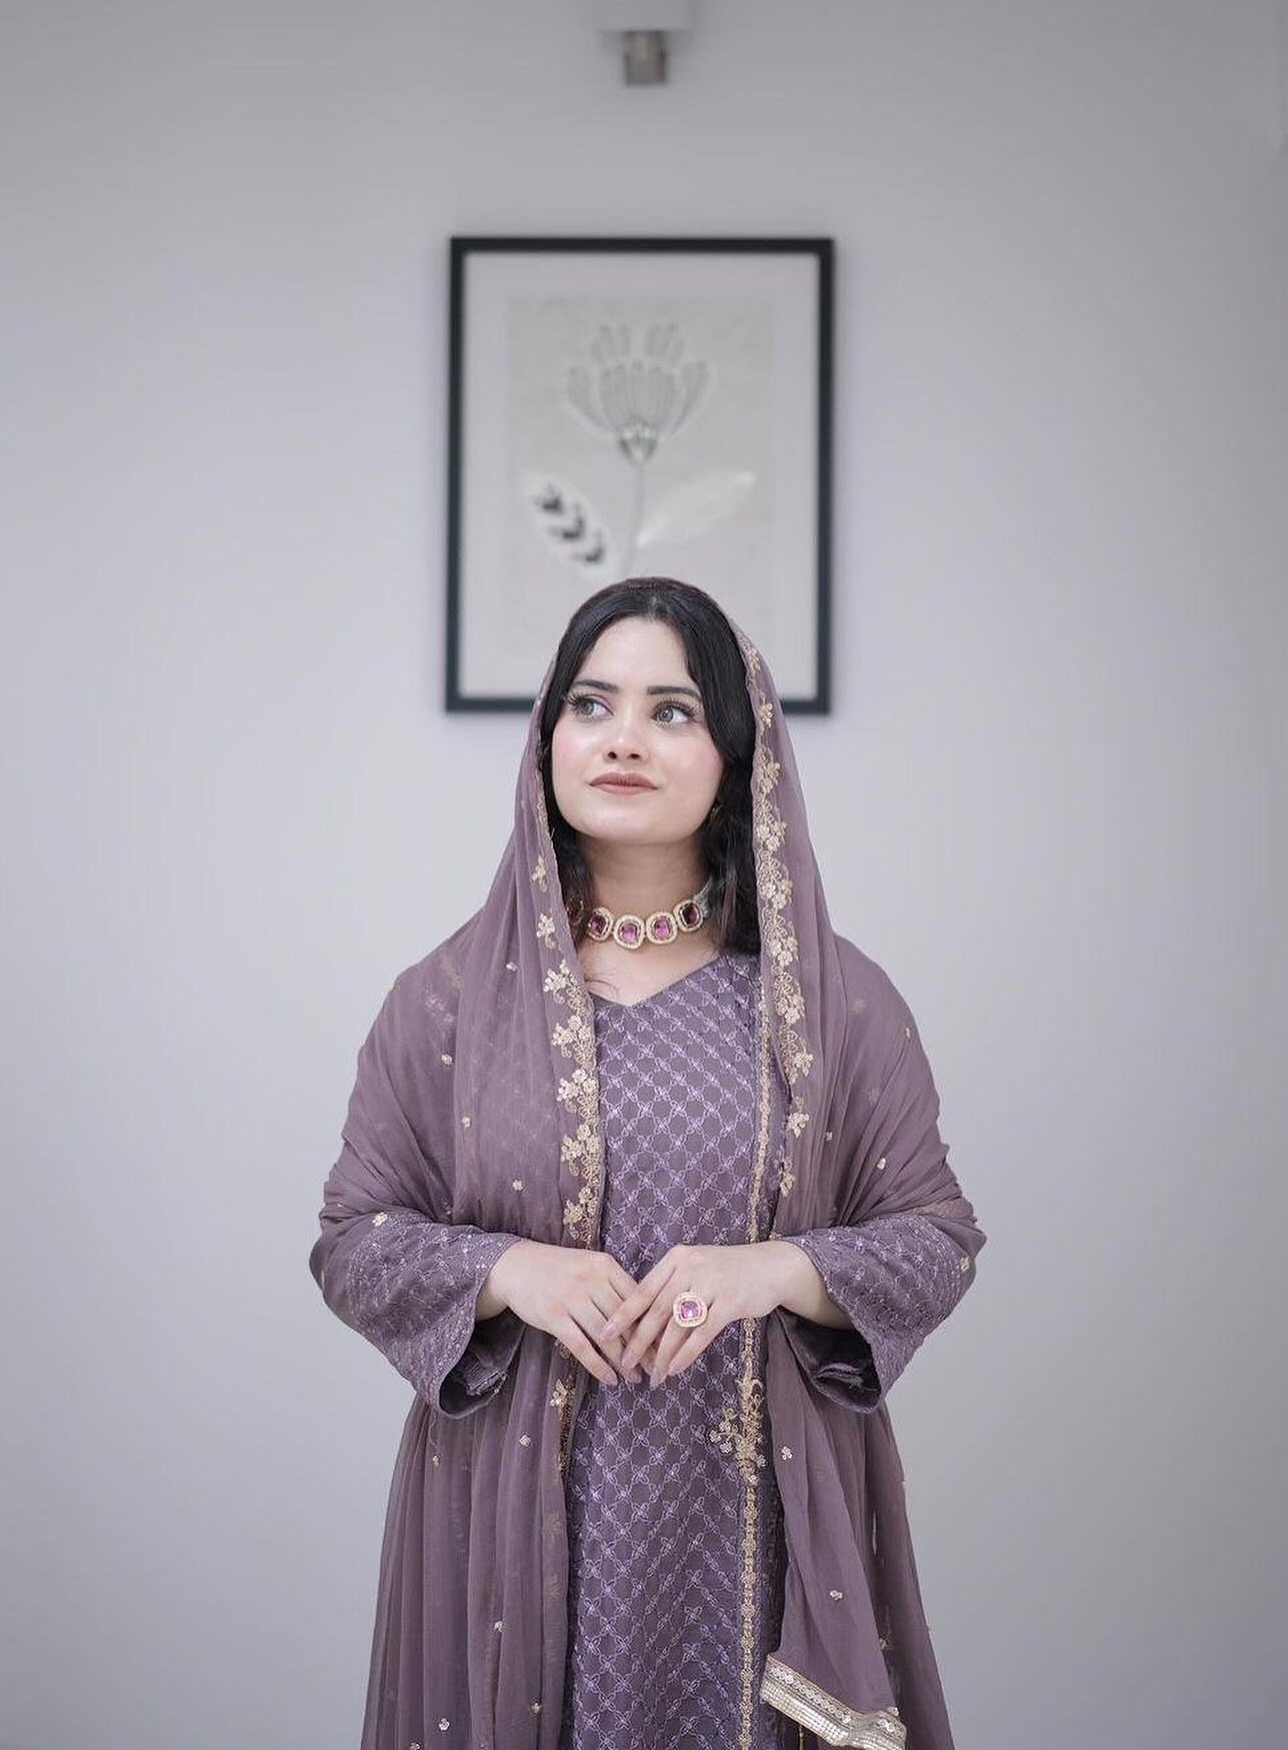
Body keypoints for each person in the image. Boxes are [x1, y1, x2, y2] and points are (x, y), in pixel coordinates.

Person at [309, 577, 986, 1750]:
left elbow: (934, 1241)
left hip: (755, 1518)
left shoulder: (834, 1004)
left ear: (738, 755)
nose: (622, 737)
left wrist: (770, 1268)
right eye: (591, 703)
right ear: (547, 741)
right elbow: (354, 1241)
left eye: (672, 709)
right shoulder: (448, 1002)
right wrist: (511, 1269)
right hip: (509, 1518)